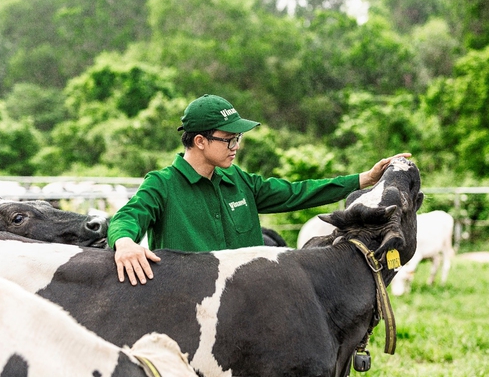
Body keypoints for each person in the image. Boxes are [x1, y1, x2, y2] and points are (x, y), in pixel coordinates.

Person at [108, 94, 411, 285]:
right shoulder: (162, 185)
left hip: (251, 299)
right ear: (200, 141)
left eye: (238, 138)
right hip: (192, 307)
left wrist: (364, 179)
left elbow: (297, 192)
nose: (236, 147)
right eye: (229, 139)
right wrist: (124, 242)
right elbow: (128, 217)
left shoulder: (240, 181)